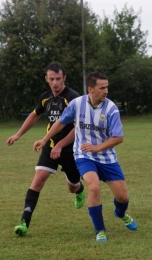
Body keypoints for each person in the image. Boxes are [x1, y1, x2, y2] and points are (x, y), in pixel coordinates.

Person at [33, 71, 137, 242]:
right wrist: (45, 139)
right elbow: (60, 122)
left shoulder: (111, 109)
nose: (106, 91)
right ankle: (100, 230)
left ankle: (121, 213)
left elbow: (118, 138)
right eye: (102, 88)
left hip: (107, 157)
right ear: (91, 89)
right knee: (93, 187)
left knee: (122, 197)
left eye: (107, 87)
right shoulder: (77, 104)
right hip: (84, 155)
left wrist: (97, 148)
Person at [6, 62, 85, 237]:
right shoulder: (45, 97)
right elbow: (35, 114)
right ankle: (24, 223)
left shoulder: (73, 98)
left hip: (70, 149)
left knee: (72, 186)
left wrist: (60, 144)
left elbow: (78, 127)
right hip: (49, 146)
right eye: (51, 79)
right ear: (46, 79)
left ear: (64, 78)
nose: (55, 83)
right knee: (38, 178)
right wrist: (19, 134)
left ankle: (79, 190)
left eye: (58, 79)